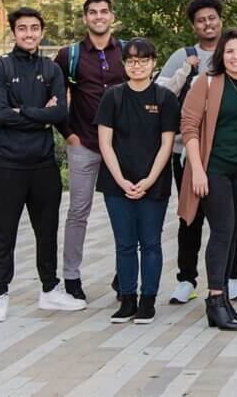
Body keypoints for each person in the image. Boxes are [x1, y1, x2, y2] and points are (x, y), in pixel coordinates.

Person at [0, 7, 84, 323]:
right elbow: (0, 114)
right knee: (3, 233)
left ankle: (50, 290)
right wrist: (39, 113)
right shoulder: (0, 68)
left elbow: (60, 114)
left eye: (35, 28)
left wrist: (23, 113)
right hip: (7, 165)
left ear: (42, 32)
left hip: (43, 165)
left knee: (47, 231)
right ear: (13, 32)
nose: (29, 33)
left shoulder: (51, 69)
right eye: (23, 28)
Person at [157, 0, 237, 305]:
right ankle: (187, 278)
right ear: (194, 26)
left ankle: (231, 275)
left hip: (230, 153)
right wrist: (186, 69)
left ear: (220, 20)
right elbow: (160, 93)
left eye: (212, 18)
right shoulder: (184, 56)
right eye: (201, 20)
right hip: (188, 153)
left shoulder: (236, 53)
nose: (207, 24)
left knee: (231, 218)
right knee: (190, 216)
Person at [178, 29, 237, 331]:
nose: (236, 56)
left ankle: (225, 299)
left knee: (232, 235)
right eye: (230, 51)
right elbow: (189, 126)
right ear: (221, 55)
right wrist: (198, 170)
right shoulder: (208, 81)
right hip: (213, 169)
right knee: (222, 229)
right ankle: (214, 299)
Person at [95, 38, 179, 324]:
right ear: (124, 65)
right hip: (116, 184)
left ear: (154, 62)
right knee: (125, 244)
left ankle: (148, 300)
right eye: (131, 60)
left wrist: (149, 179)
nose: (137, 65)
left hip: (153, 184)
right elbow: (104, 143)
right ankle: (127, 299)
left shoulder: (165, 98)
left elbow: (166, 144)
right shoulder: (113, 97)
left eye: (143, 60)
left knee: (151, 243)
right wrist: (120, 180)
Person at [53, 0, 127, 303]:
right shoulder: (69, 55)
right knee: (78, 211)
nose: (99, 17)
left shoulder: (126, 51)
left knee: (125, 212)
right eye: (93, 12)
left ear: (112, 17)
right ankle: (71, 278)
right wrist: (69, 135)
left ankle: (125, 274)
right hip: (84, 143)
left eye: (104, 12)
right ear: (85, 18)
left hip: (122, 148)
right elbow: (56, 99)